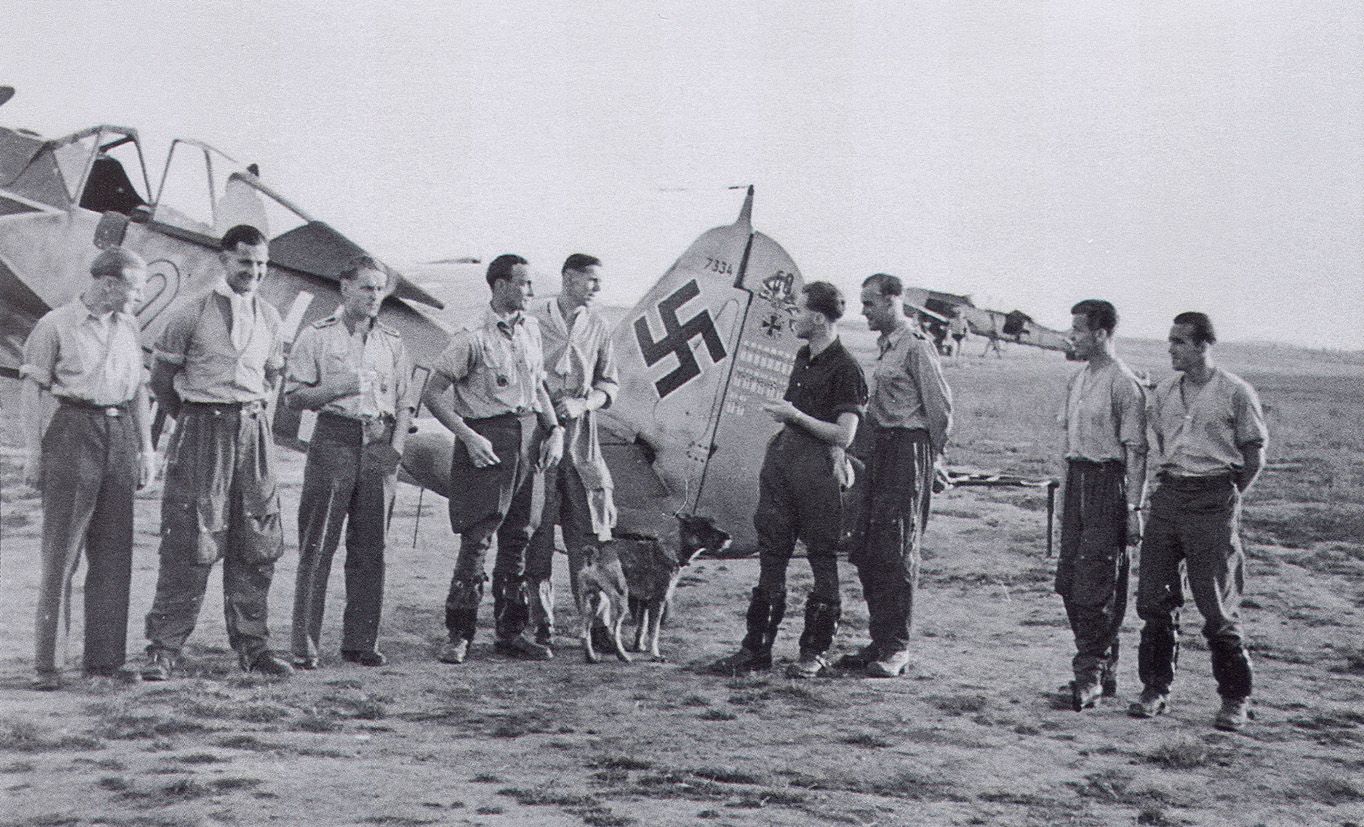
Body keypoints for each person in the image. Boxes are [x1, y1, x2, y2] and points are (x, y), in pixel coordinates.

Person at [141, 224, 293, 680]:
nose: (254, 271)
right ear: (225, 260)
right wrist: (195, 419)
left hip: (254, 432)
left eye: (262, 264)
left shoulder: (269, 316)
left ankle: (253, 646)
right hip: (203, 429)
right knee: (191, 538)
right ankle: (164, 648)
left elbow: (271, 378)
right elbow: (161, 384)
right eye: (246, 262)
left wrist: (252, 416)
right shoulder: (190, 313)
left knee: (257, 538)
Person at [713, 281, 868, 679]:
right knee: (771, 555)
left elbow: (844, 435)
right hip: (784, 468)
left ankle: (813, 654)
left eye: (798, 312)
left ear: (817, 318)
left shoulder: (847, 368)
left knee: (821, 559)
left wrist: (795, 417)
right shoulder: (804, 356)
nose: (792, 319)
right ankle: (755, 650)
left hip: (818, 475)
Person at [20, 247, 157, 689]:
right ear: (109, 283)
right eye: (135, 287)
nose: (139, 297)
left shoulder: (130, 326)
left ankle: (104, 661)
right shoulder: (54, 325)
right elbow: (31, 390)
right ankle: (49, 665)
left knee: (114, 553)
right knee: (62, 552)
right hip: (71, 430)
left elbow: (138, 390)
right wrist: (34, 452)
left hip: (119, 435)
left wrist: (146, 450)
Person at [1129, 312, 1266, 732]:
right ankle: (1155, 688)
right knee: (1154, 597)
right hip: (1169, 496)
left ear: (1204, 345)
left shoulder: (1235, 392)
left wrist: (1225, 499)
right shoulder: (1165, 391)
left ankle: (1234, 698)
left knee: (1216, 604)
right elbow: (1153, 443)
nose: (1171, 348)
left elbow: (1254, 455)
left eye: (1179, 342)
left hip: (1213, 498)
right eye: (1170, 340)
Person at [424, 254, 564, 664]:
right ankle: (459, 635)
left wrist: (553, 429)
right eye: (524, 284)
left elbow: (537, 386)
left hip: (528, 437)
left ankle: (511, 633)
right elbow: (433, 394)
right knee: (477, 538)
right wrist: (467, 437)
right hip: (487, 440)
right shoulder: (472, 337)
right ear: (501, 286)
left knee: (519, 537)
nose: (532, 293)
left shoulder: (531, 331)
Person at [284, 256, 415, 669]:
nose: (374, 296)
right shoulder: (316, 336)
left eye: (379, 289)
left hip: (379, 441)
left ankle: (361, 642)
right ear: (344, 288)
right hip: (334, 438)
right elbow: (294, 396)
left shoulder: (392, 342)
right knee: (317, 543)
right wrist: (335, 387)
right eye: (366, 287)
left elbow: (405, 403)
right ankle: (304, 645)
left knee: (370, 546)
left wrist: (393, 448)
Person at [842, 273, 952, 678]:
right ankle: (880, 638)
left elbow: (940, 409)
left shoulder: (917, 346)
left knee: (897, 549)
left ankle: (897, 647)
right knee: (869, 548)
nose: (864, 310)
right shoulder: (886, 347)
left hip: (908, 451)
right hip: (881, 449)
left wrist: (934, 459)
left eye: (870, 303)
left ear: (893, 302)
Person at [525, 254, 620, 652]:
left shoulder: (599, 325)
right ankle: (540, 624)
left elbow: (609, 385)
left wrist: (584, 405)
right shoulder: (531, 319)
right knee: (538, 532)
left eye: (600, 282)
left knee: (589, 533)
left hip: (582, 440)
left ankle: (594, 626)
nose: (597, 288)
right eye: (591, 280)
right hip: (539, 435)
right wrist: (549, 416)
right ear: (568, 278)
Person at [1055, 299, 1147, 711]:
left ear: (1101, 334)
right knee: (1068, 580)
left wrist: (1132, 509)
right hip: (1077, 482)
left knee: (1096, 581)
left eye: (1078, 329)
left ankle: (1089, 671)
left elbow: (1136, 453)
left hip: (1108, 484)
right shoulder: (1078, 380)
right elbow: (1066, 442)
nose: (1071, 336)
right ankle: (1103, 664)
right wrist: (1063, 497)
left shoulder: (1123, 383)